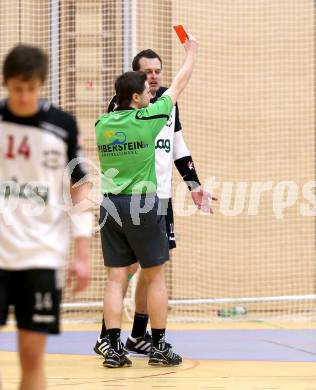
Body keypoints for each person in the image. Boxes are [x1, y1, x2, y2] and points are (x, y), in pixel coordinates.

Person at [94, 49, 215, 357]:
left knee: (125, 273)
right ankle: (140, 340)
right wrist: (192, 54)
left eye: (158, 71)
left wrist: (193, 184)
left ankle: (125, 339)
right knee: (149, 270)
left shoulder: (104, 122)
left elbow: (177, 145)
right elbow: (179, 84)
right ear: (135, 90)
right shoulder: (149, 110)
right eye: (147, 72)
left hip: (122, 201)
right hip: (145, 201)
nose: (154, 76)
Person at [0, 44, 91, 390]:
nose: (24, 97)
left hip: (42, 254)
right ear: (7, 84)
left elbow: (79, 186)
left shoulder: (62, 125)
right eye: (17, 89)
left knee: (31, 355)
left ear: (41, 86)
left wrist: (82, 253)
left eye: (31, 89)